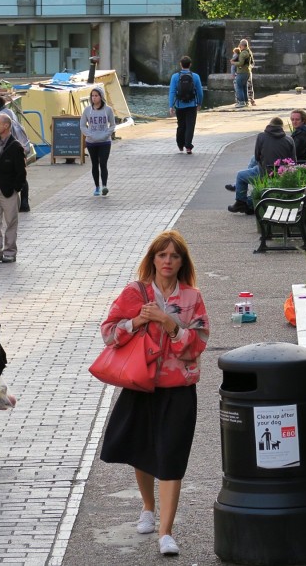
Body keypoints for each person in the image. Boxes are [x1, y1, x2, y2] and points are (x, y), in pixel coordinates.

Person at [98, 230, 209, 557]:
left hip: (178, 389)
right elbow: (108, 334)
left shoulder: (192, 298)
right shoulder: (135, 292)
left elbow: (199, 343)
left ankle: (166, 532)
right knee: (144, 450)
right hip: (142, 385)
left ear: (182, 262)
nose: (168, 261)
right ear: (153, 259)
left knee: (172, 456)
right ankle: (147, 507)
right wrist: (134, 323)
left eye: (174, 256)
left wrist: (169, 324)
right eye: (162, 255)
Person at [227, 117, 295, 214]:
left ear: (270, 125)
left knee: (240, 175)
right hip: (282, 174)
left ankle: (240, 202)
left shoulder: (261, 136)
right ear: (281, 127)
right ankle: (245, 200)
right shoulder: (289, 140)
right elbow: (293, 161)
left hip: (265, 172)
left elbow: (257, 156)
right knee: (253, 161)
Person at [0, 114, 27, 263]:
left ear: (6, 126)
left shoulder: (16, 146)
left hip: (9, 190)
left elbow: (21, 171)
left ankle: (9, 251)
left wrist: (16, 188)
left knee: (11, 222)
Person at [0, 93, 32, 212]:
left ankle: (11, 196)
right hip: (22, 145)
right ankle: (24, 202)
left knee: (9, 171)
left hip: (11, 148)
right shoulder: (9, 111)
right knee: (20, 171)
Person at [80, 84, 116, 196]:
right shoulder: (87, 110)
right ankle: (97, 187)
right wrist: (89, 134)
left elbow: (113, 125)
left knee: (103, 163)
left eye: (96, 95)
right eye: (92, 96)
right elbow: (82, 125)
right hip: (91, 142)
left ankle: (104, 186)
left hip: (105, 141)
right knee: (94, 164)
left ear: (101, 96)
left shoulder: (108, 110)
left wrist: (106, 134)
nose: (94, 98)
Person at [168, 56, 203, 155]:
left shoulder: (175, 76)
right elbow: (200, 92)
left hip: (179, 105)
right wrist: (199, 103)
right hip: (192, 105)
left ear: (180, 64)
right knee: (190, 126)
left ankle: (180, 144)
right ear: (190, 65)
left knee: (181, 125)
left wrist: (171, 106)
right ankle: (188, 146)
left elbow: (172, 92)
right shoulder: (195, 76)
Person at [234, 39, 253, 107]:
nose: (239, 46)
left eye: (240, 45)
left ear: (242, 45)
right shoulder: (249, 52)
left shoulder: (243, 53)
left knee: (239, 87)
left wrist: (233, 63)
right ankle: (246, 101)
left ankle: (241, 102)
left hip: (242, 72)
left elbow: (241, 63)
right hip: (247, 72)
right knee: (244, 87)